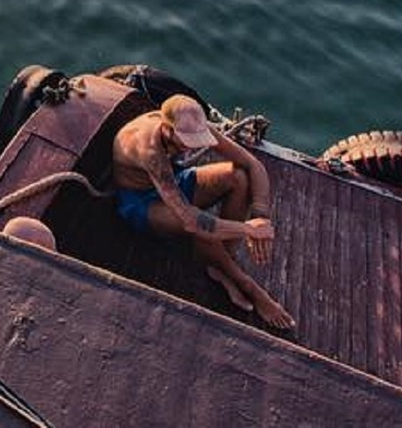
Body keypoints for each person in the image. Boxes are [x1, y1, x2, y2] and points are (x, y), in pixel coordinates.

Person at [111, 93, 292, 329]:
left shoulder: (192, 123)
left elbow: (252, 165)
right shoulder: (150, 149)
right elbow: (190, 221)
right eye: (185, 141)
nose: (189, 147)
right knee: (200, 227)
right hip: (141, 201)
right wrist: (248, 229)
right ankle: (248, 286)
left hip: (173, 182)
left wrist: (261, 217)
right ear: (167, 128)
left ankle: (222, 266)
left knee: (238, 177)